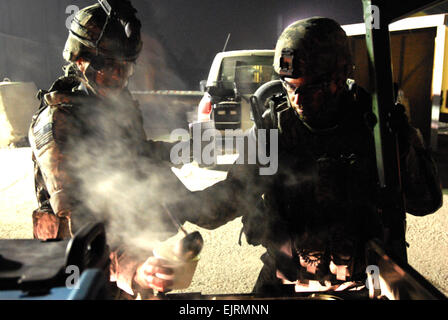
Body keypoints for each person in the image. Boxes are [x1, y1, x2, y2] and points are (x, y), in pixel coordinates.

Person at [152, 17, 443, 295]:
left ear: (340, 77)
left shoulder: (374, 125)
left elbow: (425, 201)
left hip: (363, 280)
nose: (297, 100)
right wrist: (184, 205)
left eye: (310, 87)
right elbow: (238, 192)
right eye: (289, 86)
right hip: (288, 275)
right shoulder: (273, 127)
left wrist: (402, 145)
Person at [28, 1, 187, 297]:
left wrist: (179, 152)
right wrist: (133, 267)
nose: (116, 78)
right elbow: (77, 216)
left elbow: (133, 154)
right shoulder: (57, 120)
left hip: (125, 242)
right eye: (106, 68)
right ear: (79, 60)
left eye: (124, 69)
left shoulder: (116, 104)